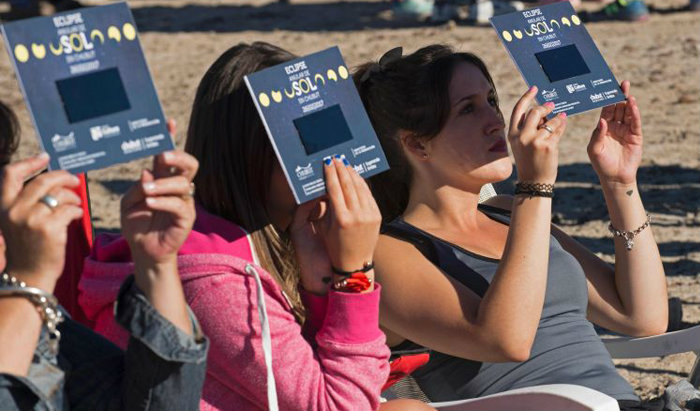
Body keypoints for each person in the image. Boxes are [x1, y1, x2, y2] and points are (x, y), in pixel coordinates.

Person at [79, 42, 432, 411]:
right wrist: (355, 273)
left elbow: (332, 378)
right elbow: (344, 406)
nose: (334, 156)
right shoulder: (216, 284)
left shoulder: (260, 234)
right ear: (253, 154)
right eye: (307, 139)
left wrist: (318, 289)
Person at [354, 45, 668, 410]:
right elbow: (507, 341)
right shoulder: (387, 252)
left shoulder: (505, 211)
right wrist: (534, 187)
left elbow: (643, 317)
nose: (495, 121)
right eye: (468, 109)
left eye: (491, 100)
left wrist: (618, 183)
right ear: (417, 144)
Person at [0, 100, 208, 410]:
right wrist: (29, 280)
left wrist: (156, 265)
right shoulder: (23, 300)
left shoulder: (38, 322)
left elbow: (153, 403)